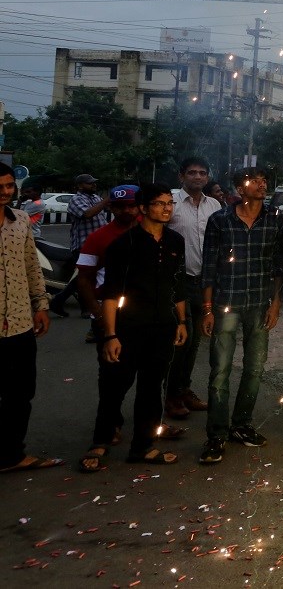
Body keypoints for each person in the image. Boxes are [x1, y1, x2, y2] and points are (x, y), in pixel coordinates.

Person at [81, 184, 188, 471]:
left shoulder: (176, 241)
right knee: (114, 387)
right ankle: (100, 442)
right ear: (143, 208)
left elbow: (177, 286)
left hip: (163, 326)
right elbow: (111, 294)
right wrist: (110, 335)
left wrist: (182, 321)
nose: (166, 208)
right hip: (128, 327)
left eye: (169, 203)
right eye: (158, 203)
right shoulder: (123, 245)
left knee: (152, 389)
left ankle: (143, 446)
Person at [198, 167, 283, 465]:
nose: (262, 185)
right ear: (239, 187)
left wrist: (275, 305)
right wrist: (207, 310)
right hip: (226, 304)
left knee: (255, 367)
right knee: (220, 370)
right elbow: (208, 268)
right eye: (254, 181)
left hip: (260, 304)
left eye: (264, 181)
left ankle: (241, 424)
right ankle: (216, 434)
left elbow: (279, 266)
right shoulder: (220, 219)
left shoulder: (275, 218)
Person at [0, 162, 61, 473]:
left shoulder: (21, 220)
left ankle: (12, 454)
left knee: (21, 392)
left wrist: (41, 305)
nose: (6, 193)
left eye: (10, 187)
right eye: (0, 188)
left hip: (20, 321)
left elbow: (31, 267)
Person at [164, 158, 221, 420]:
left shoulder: (214, 205)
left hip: (205, 281)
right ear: (181, 176)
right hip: (178, 280)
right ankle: (171, 395)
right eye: (192, 173)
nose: (197, 177)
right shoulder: (171, 204)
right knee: (180, 340)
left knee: (196, 339)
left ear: (207, 178)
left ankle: (184, 389)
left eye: (202, 173)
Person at [76, 185, 141, 345]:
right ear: (111, 207)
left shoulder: (152, 233)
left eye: (132, 205)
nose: (126, 210)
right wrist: (97, 313)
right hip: (110, 312)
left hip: (143, 313)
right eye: (120, 206)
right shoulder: (97, 238)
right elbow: (83, 279)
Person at [49, 173, 111, 317]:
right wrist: (105, 201)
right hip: (83, 243)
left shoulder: (95, 198)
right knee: (85, 276)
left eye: (94, 183)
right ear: (79, 186)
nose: (94, 185)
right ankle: (71, 304)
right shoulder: (76, 199)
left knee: (89, 276)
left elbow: (102, 218)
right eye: (90, 183)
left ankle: (64, 303)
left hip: (99, 244)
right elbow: (88, 214)